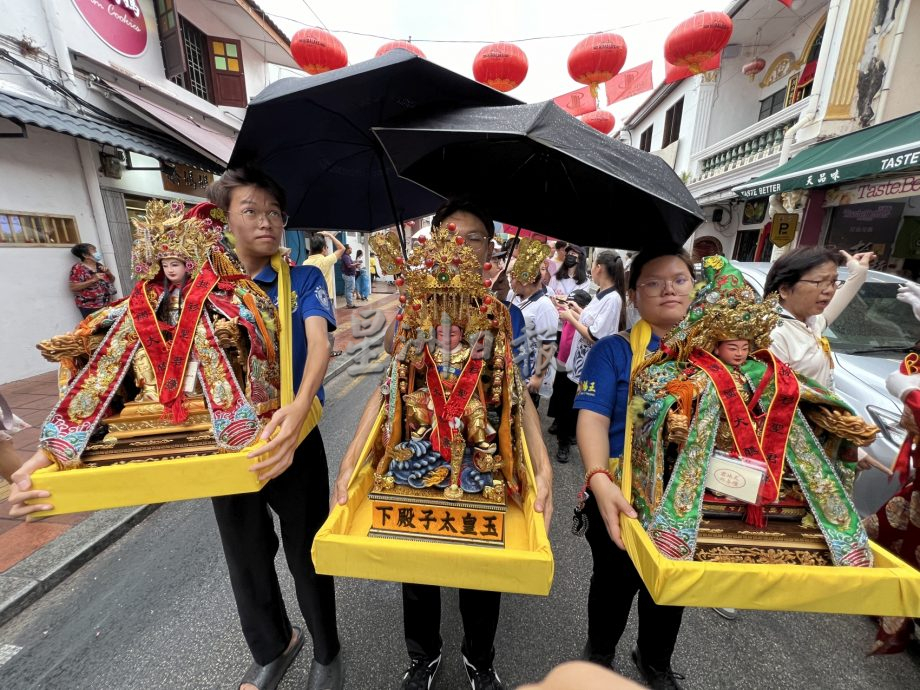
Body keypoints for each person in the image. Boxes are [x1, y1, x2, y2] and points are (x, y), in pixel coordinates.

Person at [333, 198, 552, 690]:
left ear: (489, 250)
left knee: (483, 567)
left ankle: (480, 658)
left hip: (477, 450)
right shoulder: (413, 310)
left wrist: (543, 466)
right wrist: (349, 459)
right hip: (421, 443)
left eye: (471, 236)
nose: (459, 244)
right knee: (416, 562)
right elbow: (388, 384)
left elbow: (516, 397)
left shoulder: (503, 316)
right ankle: (423, 656)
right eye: (448, 234)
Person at [573, 244, 694, 690]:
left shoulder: (715, 356)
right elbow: (593, 417)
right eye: (653, 282)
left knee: (673, 583)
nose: (668, 290)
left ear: (694, 288)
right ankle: (599, 655)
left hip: (684, 493)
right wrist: (598, 479)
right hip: (619, 489)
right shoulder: (614, 351)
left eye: (679, 279)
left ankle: (654, 660)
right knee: (613, 580)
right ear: (634, 296)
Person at [549, 250, 625, 463]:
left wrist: (569, 318)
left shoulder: (613, 298)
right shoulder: (603, 293)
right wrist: (573, 309)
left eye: (593, 265)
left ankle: (566, 443)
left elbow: (594, 335)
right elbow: (590, 320)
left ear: (599, 267)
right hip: (578, 358)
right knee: (566, 397)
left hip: (589, 361)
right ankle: (564, 435)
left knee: (572, 403)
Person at [765, 247, 874, 390]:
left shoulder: (811, 321)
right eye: (819, 282)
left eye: (833, 281)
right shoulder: (772, 334)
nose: (829, 290)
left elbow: (838, 302)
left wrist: (858, 273)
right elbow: (772, 397)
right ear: (784, 290)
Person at [509, 238, 558, 409]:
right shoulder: (514, 297)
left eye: (512, 277)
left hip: (528, 370)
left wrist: (538, 376)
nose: (510, 281)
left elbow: (548, 344)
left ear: (525, 280)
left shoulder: (544, 306)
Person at [305, 231, 347, 356]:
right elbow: (342, 248)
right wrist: (330, 235)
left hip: (310, 299)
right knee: (328, 326)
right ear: (323, 249)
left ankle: (313, 351)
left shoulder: (305, 263)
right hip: (325, 298)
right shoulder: (325, 261)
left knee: (314, 327)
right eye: (326, 247)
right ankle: (328, 351)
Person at [69, 242, 116, 318]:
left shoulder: (99, 265)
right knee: (96, 329)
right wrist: (93, 280)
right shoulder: (78, 268)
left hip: (107, 304)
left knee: (110, 327)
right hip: (91, 307)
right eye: (94, 251)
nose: (97, 253)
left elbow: (112, 280)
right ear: (85, 255)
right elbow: (73, 287)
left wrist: (108, 273)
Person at [340, 244, 358, 308]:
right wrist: (356, 264)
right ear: (347, 249)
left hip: (349, 275)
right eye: (350, 248)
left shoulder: (347, 256)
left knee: (348, 290)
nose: (351, 249)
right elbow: (349, 265)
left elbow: (350, 263)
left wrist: (355, 262)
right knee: (350, 290)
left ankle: (349, 304)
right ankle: (350, 304)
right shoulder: (346, 257)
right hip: (348, 276)